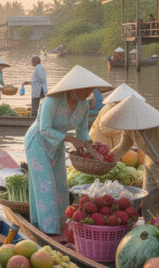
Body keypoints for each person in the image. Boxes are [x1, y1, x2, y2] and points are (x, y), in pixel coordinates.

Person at [24, 66, 112, 233]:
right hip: (37, 143)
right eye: (85, 89)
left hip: (57, 143)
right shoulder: (52, 101)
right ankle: (48, 230)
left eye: (90, 90)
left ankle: (60, 226)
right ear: (74, 88)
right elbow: (44, 129)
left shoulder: (83, 105)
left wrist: (93, 150)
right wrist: (71, 139)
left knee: (61, 185)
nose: (88, 93)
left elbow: (82, 132)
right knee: (46, 185)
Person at [107, 95, 159, 218]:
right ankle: (151, 228)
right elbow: (123, 146)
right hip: (152, 163)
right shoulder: (128, 127)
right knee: (148, 202)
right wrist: (107, 157)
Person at [89, 83, 143, 147]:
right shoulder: (109, 109)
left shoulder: (121, 109)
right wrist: (125, 130)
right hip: (99, 142)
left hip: (111, 142)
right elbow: (104, 129)